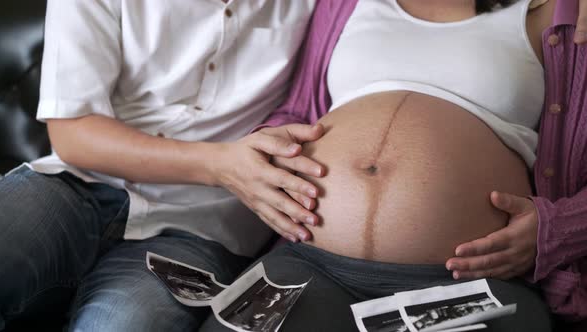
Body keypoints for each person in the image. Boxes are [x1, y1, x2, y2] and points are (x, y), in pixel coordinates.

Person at [199, 0, 587, 331]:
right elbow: (298, 111)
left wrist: (561, 227)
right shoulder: (343, 4)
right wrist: (265, 150)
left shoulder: (561, 12)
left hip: (469, 281)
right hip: (310, 262)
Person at [0, 1, 327, 331]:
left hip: (198, 228)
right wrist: (220, 165)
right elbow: (73, 134)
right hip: (74, 183)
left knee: (123, 325)